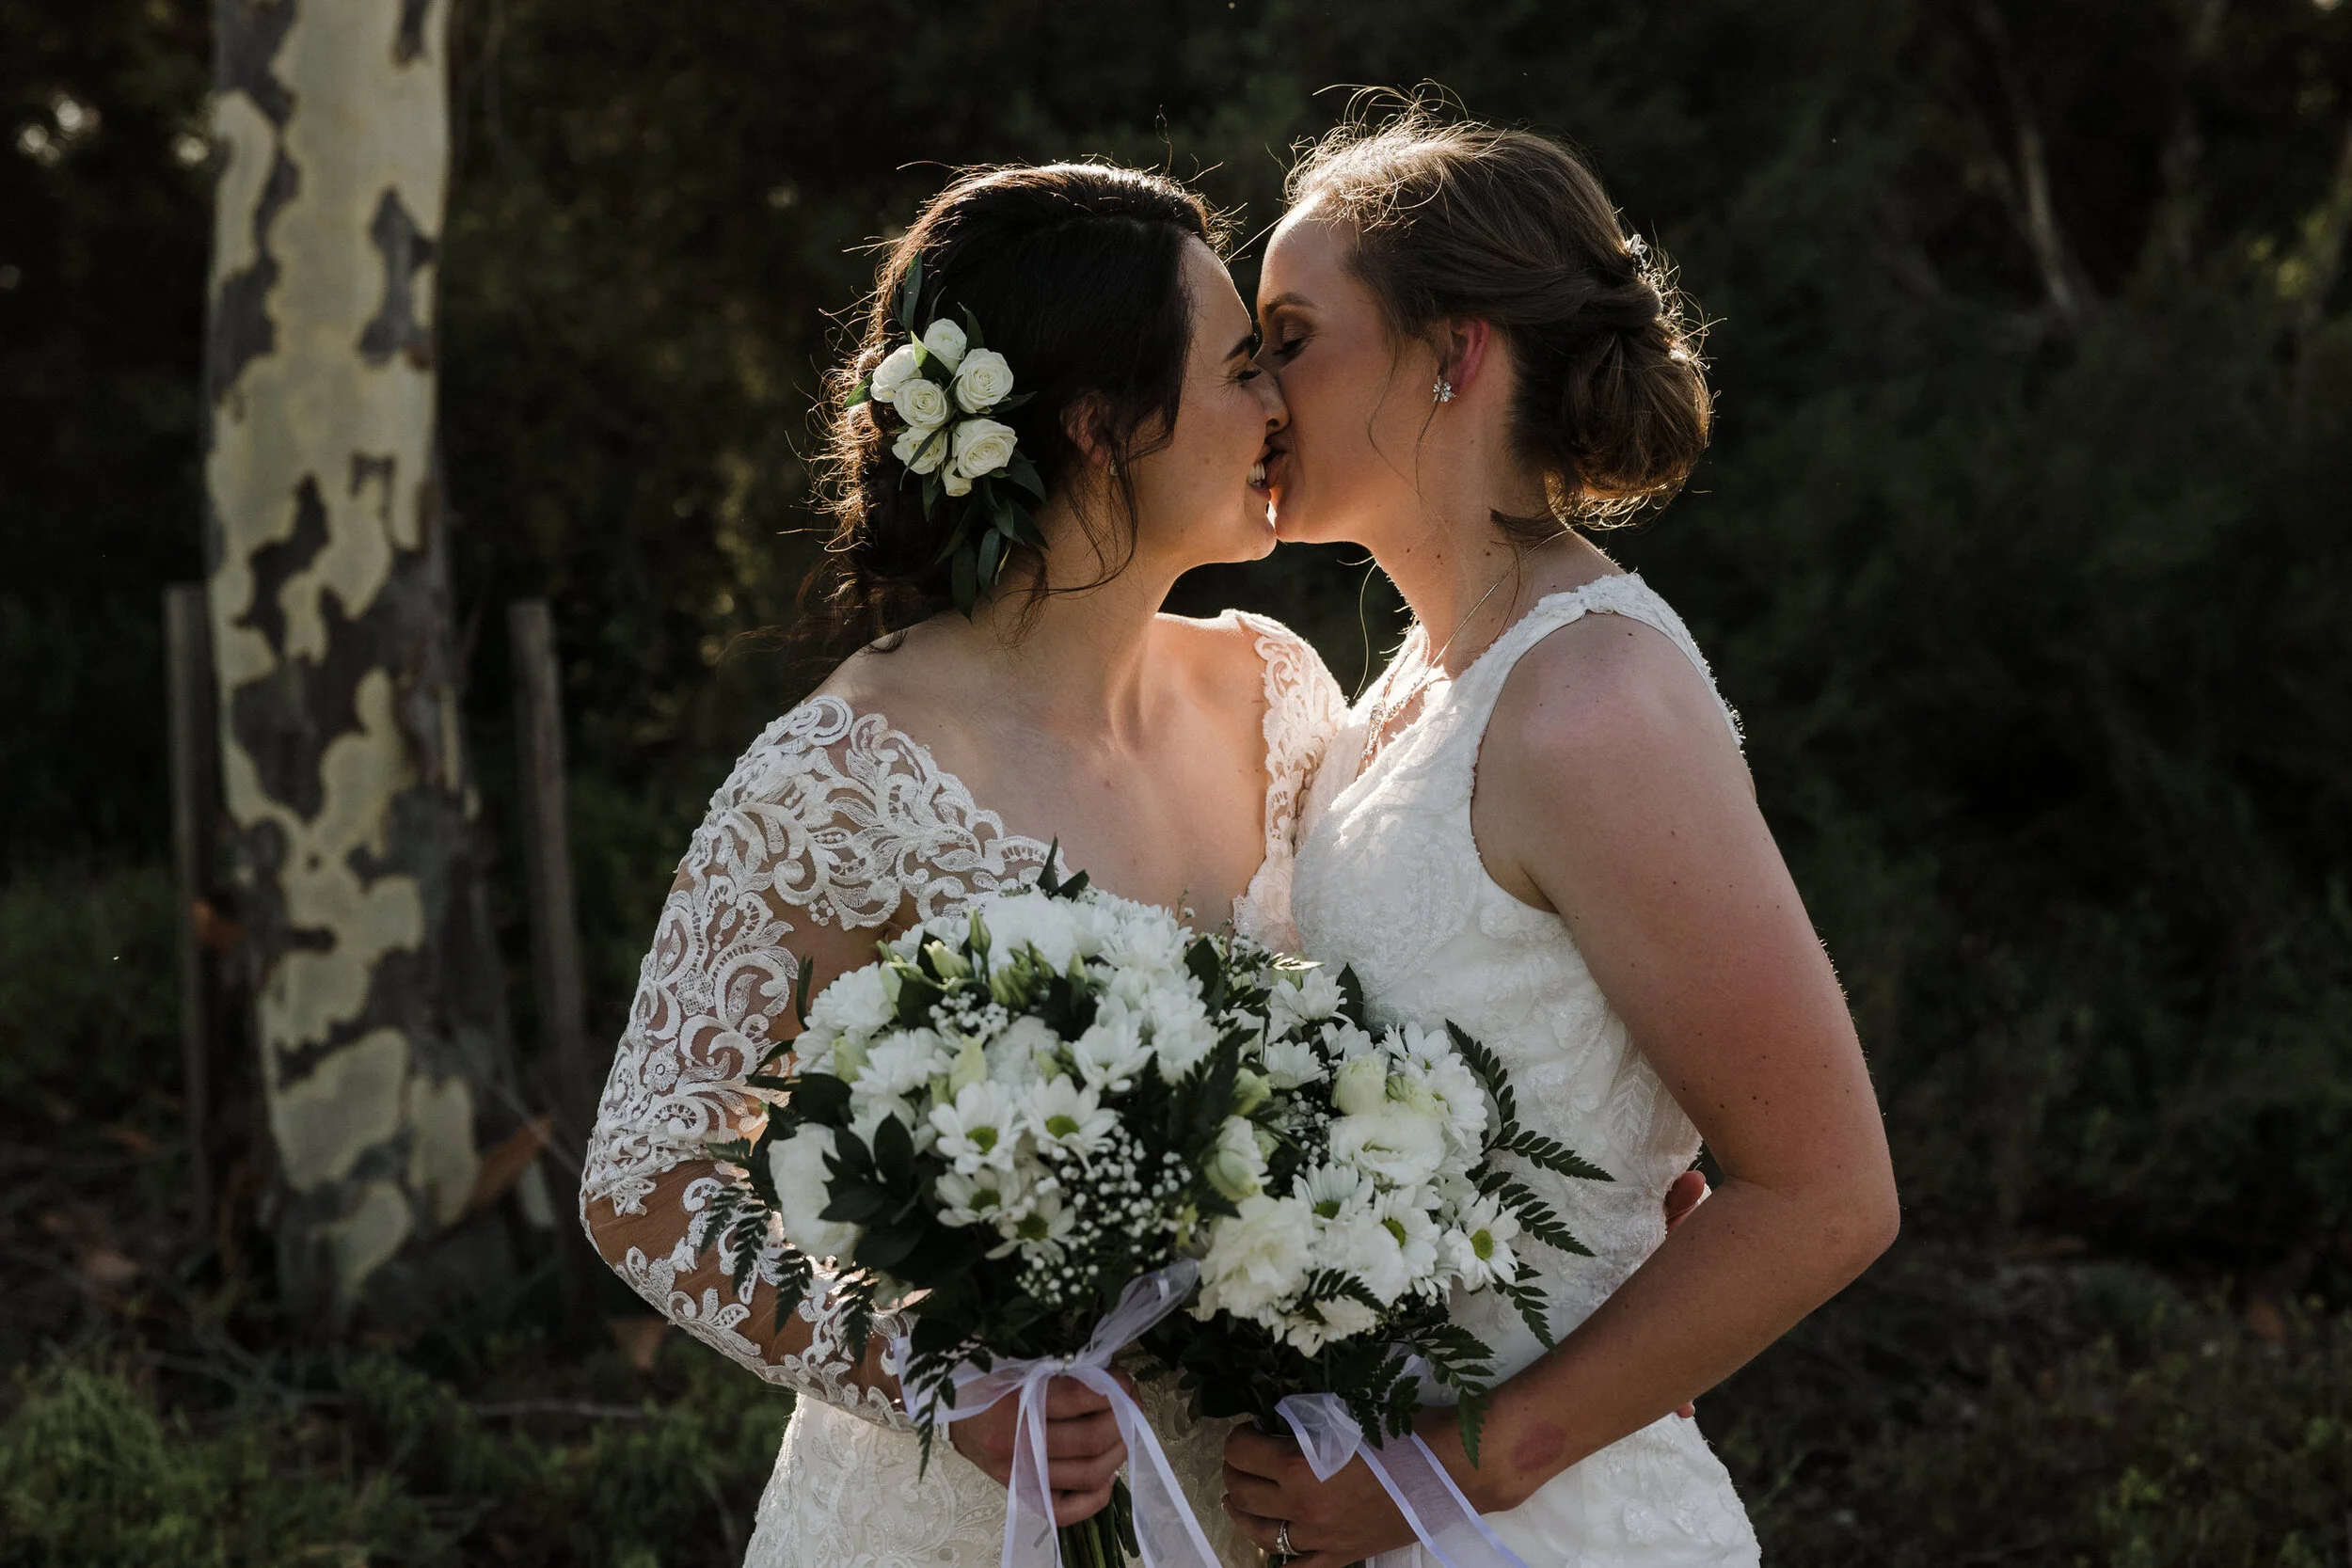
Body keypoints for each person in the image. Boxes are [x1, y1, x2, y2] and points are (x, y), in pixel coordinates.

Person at [580, 161, 1344, 1568]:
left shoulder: (1282, 692)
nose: (1278, 409)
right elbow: (646, 1174)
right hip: (956, 1516)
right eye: (1242, 368)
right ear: (1100, 425)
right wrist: (936, 1380)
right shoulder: (842, 774)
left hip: (1252, 1501)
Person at [1219, 109, 1901, 1566]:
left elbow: (1827, 1188)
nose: (1252, 383)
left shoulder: (1592, 698)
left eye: (1289, 333)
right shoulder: (1398, 693)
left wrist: (1452, 1468)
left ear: (1456, 353)